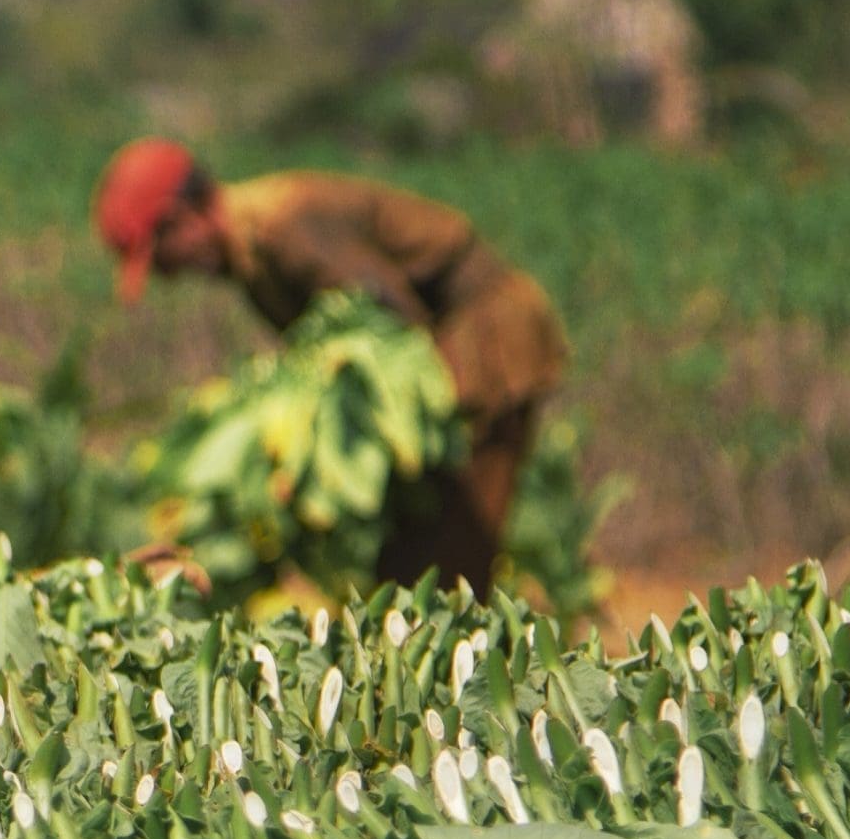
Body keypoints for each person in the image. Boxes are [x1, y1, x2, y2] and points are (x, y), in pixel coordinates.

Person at [94, 137, 567, 595]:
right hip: (450, 352)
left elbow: (389, 323)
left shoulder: (284, 225)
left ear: (182, 220)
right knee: (411, 562)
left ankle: (471, 665)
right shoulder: (252, 253)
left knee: (448, 558)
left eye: (162, 261)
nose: (171, 278)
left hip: (483, 340)